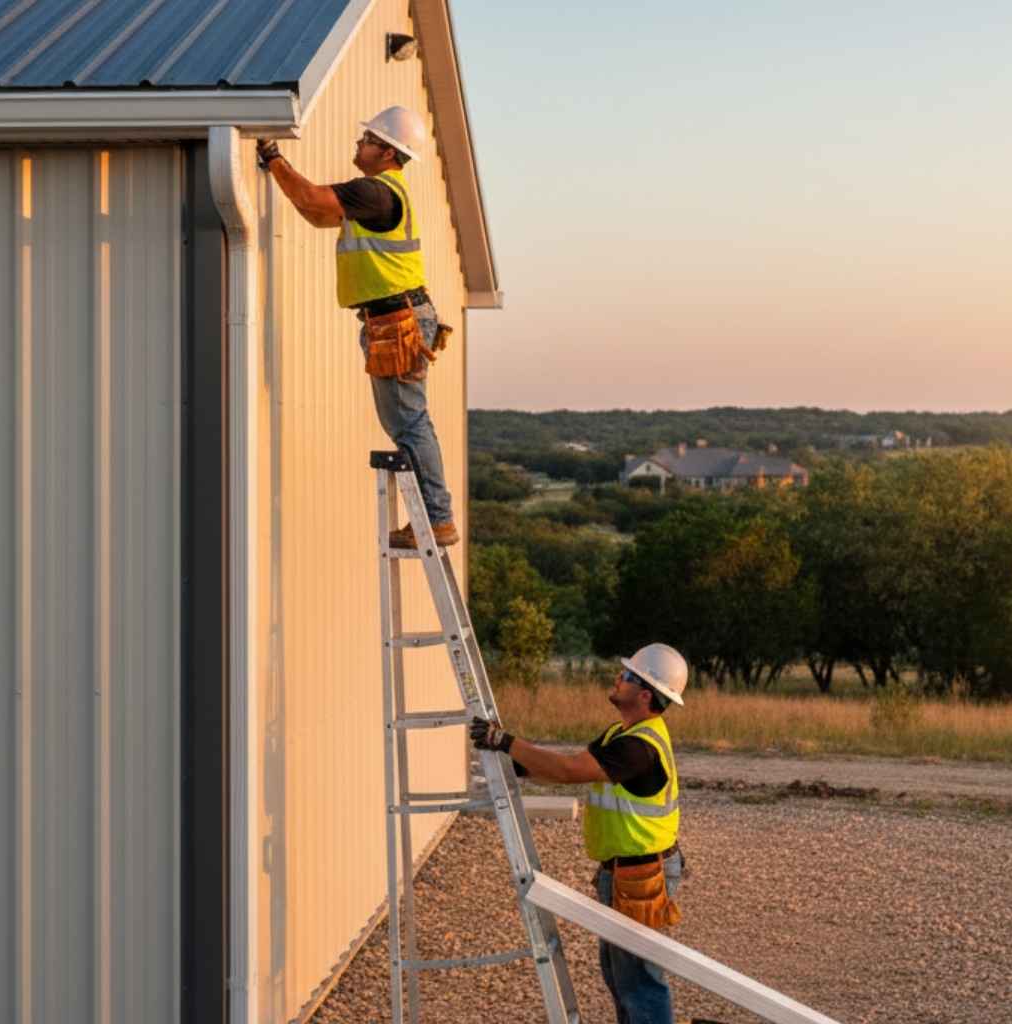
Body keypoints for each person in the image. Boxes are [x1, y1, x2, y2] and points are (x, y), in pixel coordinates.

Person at [255, 107, 457, 548]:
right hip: (393, 318)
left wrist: (272, 157)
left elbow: (310, 200)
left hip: (396, 320)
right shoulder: (377, 195)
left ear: (387, 151)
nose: (358, 144)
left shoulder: (375, 191)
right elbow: (318, 215)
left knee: (408, 422)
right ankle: (435, 516)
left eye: (366, 139)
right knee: (407, 421)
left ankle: (438, 519)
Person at [471, 643, 690, 1024]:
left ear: (644, 694)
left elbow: (569, 771)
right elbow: (570, 769)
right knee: (620, 977)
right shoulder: (621, 734)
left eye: (626, 676)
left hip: (641, 876)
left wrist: (505, 742)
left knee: (639, 982)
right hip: (626, 872)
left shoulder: (639, 747)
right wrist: (518, 766)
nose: (617, 678)